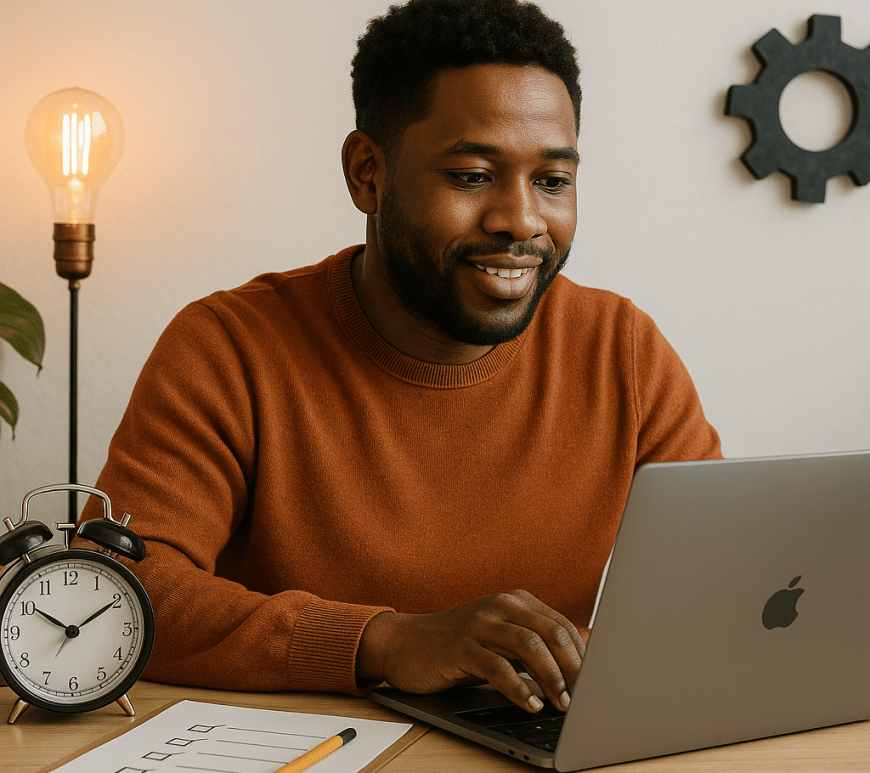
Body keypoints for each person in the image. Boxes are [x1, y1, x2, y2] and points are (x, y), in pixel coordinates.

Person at [82, 0, 721, 716]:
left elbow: (724, 583)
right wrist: (384, 642)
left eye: (552, 180)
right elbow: (114, 591)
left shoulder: (621, 351)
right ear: (367, 174)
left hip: (539, 749)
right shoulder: (229, 348)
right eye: (473, 175)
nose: (521, 219)